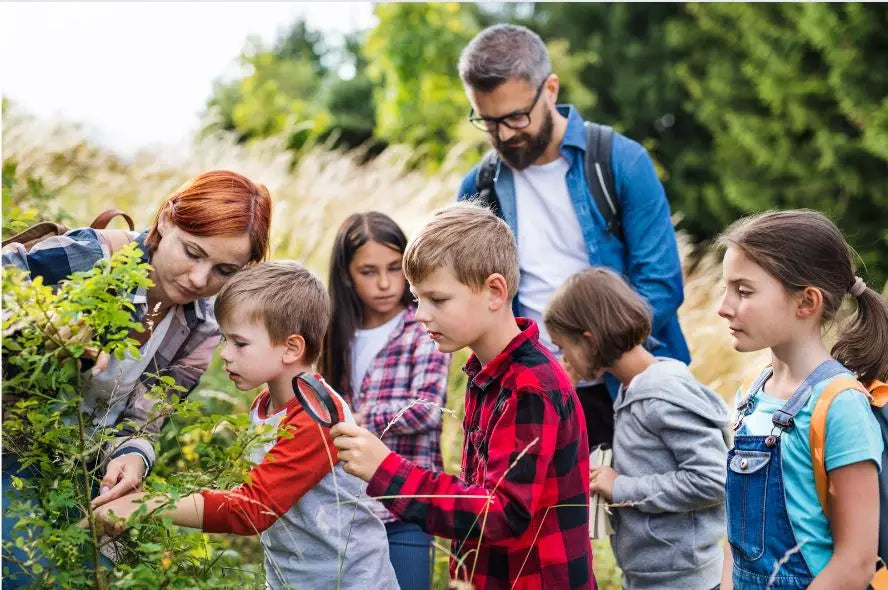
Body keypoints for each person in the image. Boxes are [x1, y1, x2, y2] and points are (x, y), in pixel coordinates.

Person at [2, 170, 272, 586]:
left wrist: (133, 456)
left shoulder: (201, 324)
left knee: (96, 573)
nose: (200, 279)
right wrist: (40, 320)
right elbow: (6, 277)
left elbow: (146, 417)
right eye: (192, 252)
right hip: (12, 445)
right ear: (166, 220)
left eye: (223, 269)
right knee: (26, 573)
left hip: (81, 467)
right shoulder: (97, 258)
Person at [89, 261, 400, 590]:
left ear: (291, 348)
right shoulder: (265, 406)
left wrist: (144, 505)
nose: (225, 354)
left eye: (239, 343)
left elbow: (252, 509)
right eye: (224, 339)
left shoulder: (315, 415)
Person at [331, 203, 594, 590]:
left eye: (437, 300)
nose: (421, 314)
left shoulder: (530, 387)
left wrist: (386, 471)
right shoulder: (485, 374)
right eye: (418, 299)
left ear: (494, 291)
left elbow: (501, 513)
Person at [455, 24, 689, 448]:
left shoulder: (621, 162)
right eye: (487, 122)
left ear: (550, 88)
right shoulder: (478, 187)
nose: (503, 135)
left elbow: (661, 286)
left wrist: (586, 359)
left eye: (515, 117)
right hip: (530, 394)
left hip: (628, 390)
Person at [717, 210, 885, 589]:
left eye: (743, 291)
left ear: (806, 302)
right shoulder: (750, 396)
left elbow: (855, 564)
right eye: (724, 289)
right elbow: (737, 541)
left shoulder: (840, 405)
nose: (724, 307)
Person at [545, 267, 729, 590]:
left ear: (589, 340)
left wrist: (621, 487)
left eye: (563, 348)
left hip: (684, 582)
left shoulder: (662, 396)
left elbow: (713, 478)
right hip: (648, 578)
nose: (563, 359)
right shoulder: (631, 391)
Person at [318, 212, 450, 590]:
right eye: (369, 272)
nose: (385, 284)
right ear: (346, 274)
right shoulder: (332, 333)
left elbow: (427, 409)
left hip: (404, 504)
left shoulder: (424, 326)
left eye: (395, 269)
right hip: (346, 508)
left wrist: (356, 419)